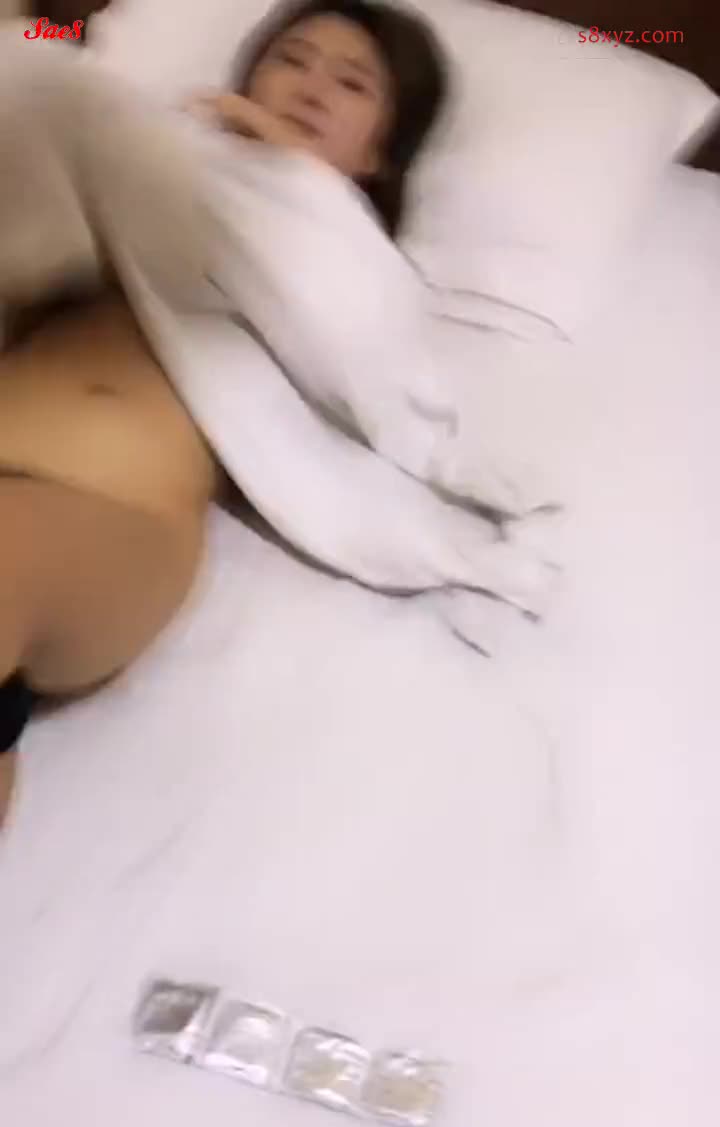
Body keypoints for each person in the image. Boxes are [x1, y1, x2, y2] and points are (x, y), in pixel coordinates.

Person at [0, 0, 448, 824]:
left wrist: (295, 179)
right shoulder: (143, 166)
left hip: (105, 517)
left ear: (379, 154)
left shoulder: (359, 264)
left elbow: (378, 378)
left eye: (352, 83)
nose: (311, 86)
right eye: (292, 59)